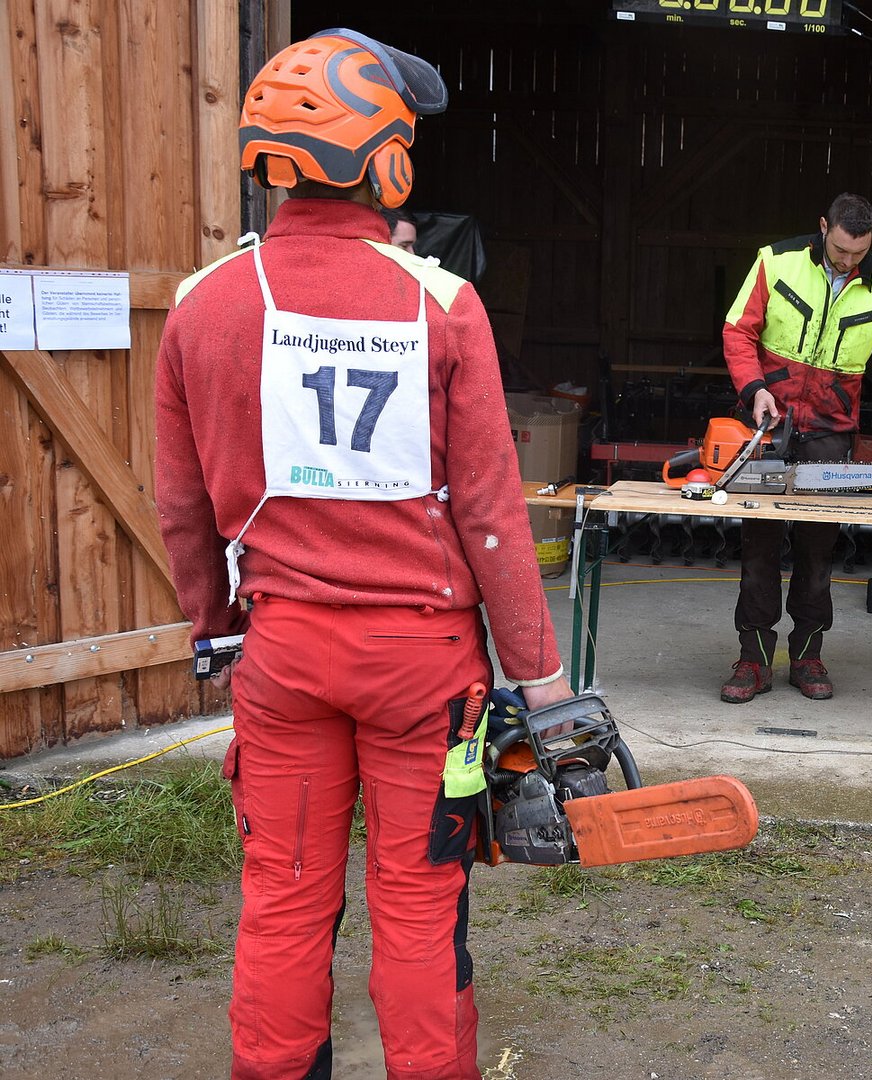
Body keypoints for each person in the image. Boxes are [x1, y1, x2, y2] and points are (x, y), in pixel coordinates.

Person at [154, 29, 572, 1079]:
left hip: (283, 656)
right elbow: (490, 512)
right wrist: (543, 677)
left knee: (283, 898)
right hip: (424, 671)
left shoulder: (203, 305)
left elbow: (182, 507)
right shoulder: (444, 304)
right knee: (420, 907)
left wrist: (216, 631)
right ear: (387, 162)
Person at [719, 192, 872, 703]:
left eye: (859, 252)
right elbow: (738, 332)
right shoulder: (776, 261)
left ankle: (807, 658)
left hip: (831, 434)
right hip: (767, 422)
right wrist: (753, 389)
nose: (848, 260)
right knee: (759, 549)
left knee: (817, 552)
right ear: (823, 227)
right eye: (840, 250)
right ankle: (754, 661)